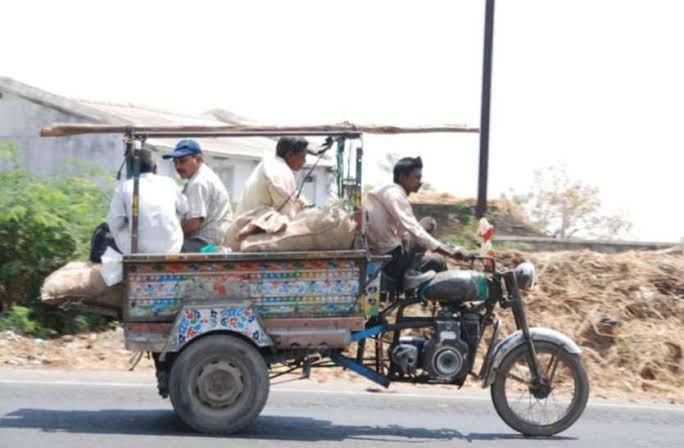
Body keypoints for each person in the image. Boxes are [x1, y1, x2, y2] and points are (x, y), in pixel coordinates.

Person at [365, 156, 469, 284]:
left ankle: (417, 273)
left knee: (437, 261)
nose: (420, 182)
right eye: (417, 177)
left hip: (381, 257)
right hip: (390, 261)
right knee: (428, 222)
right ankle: (411, 273)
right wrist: (450, 253)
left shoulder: (383, 193)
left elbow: (402, 234)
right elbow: (415, 230)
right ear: (403, 177)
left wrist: (447, 247)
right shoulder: (395, 194)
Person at [107, 149, 187, 254]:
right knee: (178, 211)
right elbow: (185, 209)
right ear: (154, 166)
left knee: (117, 223)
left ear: (131, 168)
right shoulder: (169, 182)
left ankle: (132, 252)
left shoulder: (124, 187)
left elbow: (116, 222)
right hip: (171, 249)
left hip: (137, 250)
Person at [162, 139, 233, 252]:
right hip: (212, 239)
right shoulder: (202, 176)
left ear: (199, 159)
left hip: (204, 242)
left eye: (183, 161)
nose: (178, 167)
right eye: (175, 162)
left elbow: (193, 223)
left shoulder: (198, 182)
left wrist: (171, 234)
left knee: (165, 249)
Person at [236, 136, 309, 218]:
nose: (304, 161)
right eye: (302, 156)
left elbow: (294, 196)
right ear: (290, 155)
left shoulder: (271, 164)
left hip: (244, 223)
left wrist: (306, 206)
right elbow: (287, 214)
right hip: (255, 227)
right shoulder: (280, 171)